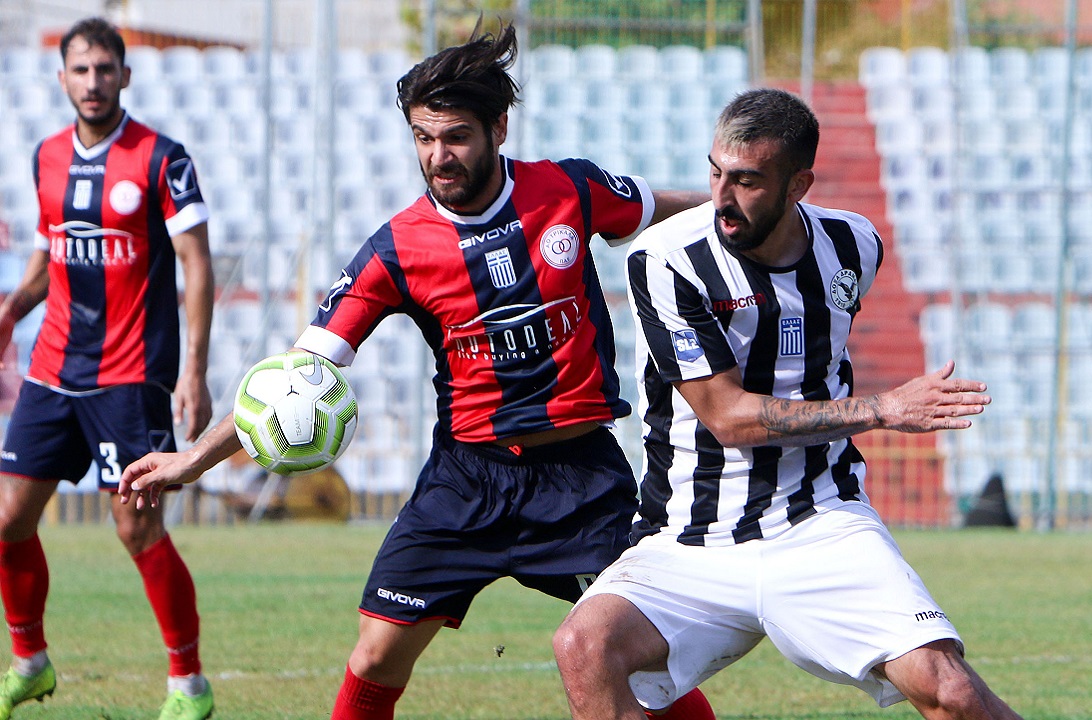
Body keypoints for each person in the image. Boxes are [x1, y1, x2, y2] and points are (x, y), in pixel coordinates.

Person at [120, 24, 716, 720]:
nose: (439, 155)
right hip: (466, 481)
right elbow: (295, 376)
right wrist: (193, 459)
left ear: (498, 127)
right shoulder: (396, 249)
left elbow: (673, 209)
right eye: (423, 137)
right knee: (375, 654)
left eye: (456, 135)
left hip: (580, 480)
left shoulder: (570, 190)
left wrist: (745, 209)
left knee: (647, 661)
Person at [552, 88, 1024, 720]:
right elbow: (727, 417)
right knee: (584, 645)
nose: (722, 196)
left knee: (953, 691)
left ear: (799, 184)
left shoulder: (854, 245)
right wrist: (882, 409)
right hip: (691, 538)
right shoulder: (666, 260)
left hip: (819, 521)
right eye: (716, 172)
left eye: (747, 181)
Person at [0, 17, 215, 720]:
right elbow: (48, 255)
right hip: (53, 365)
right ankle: (29, 660)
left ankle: (188, 684)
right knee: (7, 517)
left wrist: (194, 373)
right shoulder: (46, 157)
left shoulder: (161, 158)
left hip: (130, 374)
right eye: (80, 70)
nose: (93, 82)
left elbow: (195, 263)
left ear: (125, 75)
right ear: (62, 78)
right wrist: (11, 310)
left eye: (104, 69)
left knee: (136, 528)